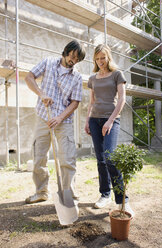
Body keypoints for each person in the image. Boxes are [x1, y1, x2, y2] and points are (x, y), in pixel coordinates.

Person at [25, 40, 86, 205]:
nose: (73, 60)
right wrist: (41, 93)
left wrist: (59, 118)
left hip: (63, 121)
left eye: (77, 58)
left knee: (67, 159)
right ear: (66, 51)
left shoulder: (77, 77)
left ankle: (68, 195)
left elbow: (75, 102)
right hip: (43, 117)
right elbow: (29, 77)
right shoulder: (48, 62)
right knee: (38, 157)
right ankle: (41, 192)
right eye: (72, 55)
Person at [85, 44, 134, 216]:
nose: (100, 62)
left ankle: (122, 201)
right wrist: (87, 121)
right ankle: (104, 194)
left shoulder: (117, 74)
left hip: (111, 119)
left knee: (110, 157)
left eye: (103, 58)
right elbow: (91, 102)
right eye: (97, 59)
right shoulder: (92, 78)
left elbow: (122, 98)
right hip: (94, 120)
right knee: (100, 159)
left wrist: (110, 120)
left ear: (108, 57)